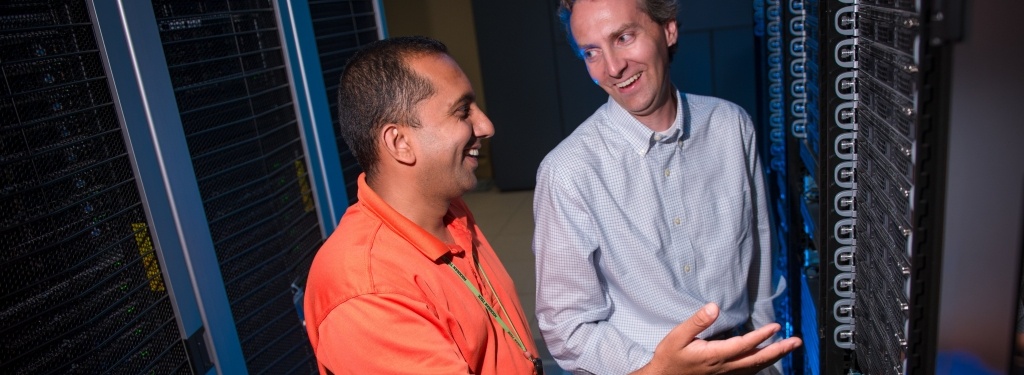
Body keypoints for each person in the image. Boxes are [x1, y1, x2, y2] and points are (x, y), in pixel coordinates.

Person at [532, 0, 803, 374]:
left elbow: (760, 258)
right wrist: (659, 368)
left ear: (668, 30)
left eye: (624, 38)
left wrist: (768, 358)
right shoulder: (568, 172)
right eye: (591, 52)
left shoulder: (731, 126)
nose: (612, 68)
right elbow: (567, 327)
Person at [302, 36, 542, 374]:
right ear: (400, 143)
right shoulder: (365, 291)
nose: (486, 126)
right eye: (463, 111)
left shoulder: (447, 210)